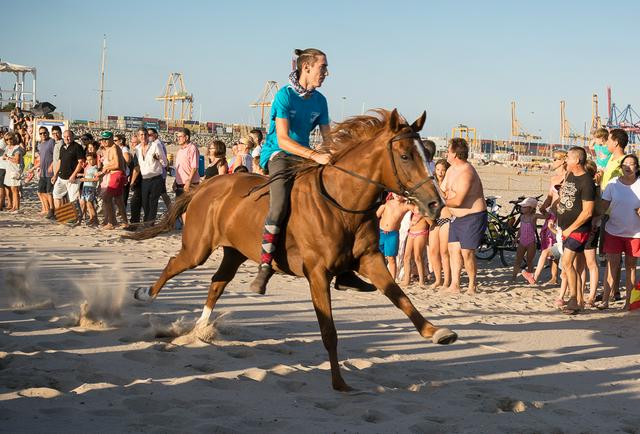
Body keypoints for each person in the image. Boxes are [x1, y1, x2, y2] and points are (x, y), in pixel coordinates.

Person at [250, 48, 332, 294]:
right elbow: (284, 140)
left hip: (305, 157)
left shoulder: (321, 100)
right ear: (306, 67)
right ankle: (265, 265)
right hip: (279, 154)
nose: (326, 73)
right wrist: (315, 155)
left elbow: (329, 138)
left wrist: (332, 152)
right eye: (323, 67)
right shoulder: (283, 96)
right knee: (280, 204)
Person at [441, 138, 487, 294]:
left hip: (472, 216)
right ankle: (455, 284)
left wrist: (444, 201)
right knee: (453, 250)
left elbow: (459, 200)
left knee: (467, 252)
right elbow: (444, 191)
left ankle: (472, 285)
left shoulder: (467, 172)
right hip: (456, 217)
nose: (446, 153)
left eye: (448, 150)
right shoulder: (451, 169)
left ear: (454, 154)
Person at [596, 154, 640, 310]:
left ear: (637, 167)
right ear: (621, 167)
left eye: (632, 164)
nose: (628, 167)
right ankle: (605, 299)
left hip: (635, 233)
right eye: (625, 164)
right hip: (613, 230)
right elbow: (603, 205)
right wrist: (595, 219)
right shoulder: (613, 184)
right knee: (611, 265)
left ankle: (629, 301)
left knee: (631, 267)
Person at [556, 146, 595, 314]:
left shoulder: (586, 181)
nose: (566, 161)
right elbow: (565, 195)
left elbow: (588, 212)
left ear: (577, 160)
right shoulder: (570, 175)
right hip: (565, 227)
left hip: (578, 230)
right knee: (576, 267)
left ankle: (572, 299)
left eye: (569, 158)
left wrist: (570, 229)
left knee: (566, 263)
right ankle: (578, 300)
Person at [531, 150, 567, 286]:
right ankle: (553, 277)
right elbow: (550, 196)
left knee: (556, 243)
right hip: (551, 213)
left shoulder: (568, 176)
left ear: (563, 161)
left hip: (561, 214)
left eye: (555, 159)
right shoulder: (553, 178)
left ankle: (556, 276)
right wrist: (543, 206)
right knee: (549, 242)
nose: (553, 161)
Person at [133, 128, 168, 224]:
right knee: (145, 204)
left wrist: (158, 159)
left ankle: (149, 225)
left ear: (148, 136)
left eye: (145, 134)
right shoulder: (137, 149)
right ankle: (147, 222)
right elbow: (139, 166)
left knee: (153, 203)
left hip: (156, 178)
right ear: (138, 136)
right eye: (141, 135)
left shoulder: (155, 145)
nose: (143, 136)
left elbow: (165, 163)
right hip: (145, 179)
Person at [377, 193, 414, 280]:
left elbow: (416, 209)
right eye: (395, 192)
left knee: (391, 258)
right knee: (378, 256)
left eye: (400, 194)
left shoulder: (405, 206)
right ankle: (380, 276)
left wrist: (408, 198)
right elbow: (376, 216)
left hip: (392, 234)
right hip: (381, 232)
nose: (397, 195)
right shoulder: (387, 203)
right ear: (391, 193)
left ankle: (392, 279)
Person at [427, 159, 451, 289]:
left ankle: (447, 280)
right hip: (434, 221)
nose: (440, 172)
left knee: (444, 252)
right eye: (438, 169)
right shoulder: (432, 183)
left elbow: (448, 199)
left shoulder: (448, 183)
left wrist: (437, 187)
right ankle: (438, 279)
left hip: (446, 219)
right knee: (433, 251)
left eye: (443, 170)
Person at [98, 131, 128, 229]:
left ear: (111, 139)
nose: (105, 141)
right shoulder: (110, 149)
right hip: (116, 174)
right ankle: (124, 221)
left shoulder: (114, 148)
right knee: (119, 200)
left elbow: (117, 165)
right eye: (103, 139)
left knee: (107, 198)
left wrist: (105, 168)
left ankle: (112, 222)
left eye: (107, 139)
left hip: (117, 175)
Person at [52, 130, 85, 209]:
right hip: (61, 177)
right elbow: (60, 162)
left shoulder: (77, 147)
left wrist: (73, 175)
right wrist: (55, 175)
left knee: (72, 199)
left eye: (68, 136)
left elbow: (81, 162)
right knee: (56, 196)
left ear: (73, 137)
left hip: (73, 179)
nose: (66, 138)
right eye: (65, 137)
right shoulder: (62, 147)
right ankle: (61, 215)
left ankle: (74, 218)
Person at [516, 197, 545, 283]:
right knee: (518, 259)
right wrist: (516, 238)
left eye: (524, 207)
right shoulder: (522, 217)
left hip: (531, 242)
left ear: (531, 208)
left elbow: (546, 217)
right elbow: (520, 229)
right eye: (522, 207)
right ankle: (513, 277)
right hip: (522, 241)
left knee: (529, 260)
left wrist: (542, 209)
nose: (522, 208)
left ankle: (532, 276)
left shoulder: (534, 216)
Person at [401, 205, 429, 287]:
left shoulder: (425, 208)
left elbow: (431, 221)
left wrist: (423, 215)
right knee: (406, 257)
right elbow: (406, 204)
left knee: (418, 257)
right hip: (411, 233)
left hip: (421, 233)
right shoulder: (413, 207)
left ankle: (421, 280)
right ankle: (407, 279)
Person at [147, 128, 171, 211]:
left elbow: (162, 158)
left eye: (150, 134)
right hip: (160, 172)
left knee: (161, 193)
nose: (148, 136)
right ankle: (170, 209)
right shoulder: (156, 143)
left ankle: (171, 209)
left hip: (159, 173)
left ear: (155, 135)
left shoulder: (157, 144)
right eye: (147, 134)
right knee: (162, 193)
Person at [1, 132, 24, 212]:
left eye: (10, 138)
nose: (9, 141)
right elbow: (5, 155)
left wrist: (7, 158)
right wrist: (5, 157)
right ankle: (13, 206)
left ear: (14, 138)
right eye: (6, 139)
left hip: (15, 170)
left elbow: (17, 160)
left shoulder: (17, 148)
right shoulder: (8, 147)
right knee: (12, 188)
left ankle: (16, 207)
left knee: (15, 189)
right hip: (9, 170)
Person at [173, 128, 200, 196]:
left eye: (180, 137)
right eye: (177, 137)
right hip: (179, 183)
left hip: (190, 184)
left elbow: (194, 167)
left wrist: (189, 181)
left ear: (187, 137)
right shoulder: (180, 150)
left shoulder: (192, 148)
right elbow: (179, 169)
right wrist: (175, 181)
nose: (178, 139)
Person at [79, 153, 99, 226]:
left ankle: (93, 219)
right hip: (85, 187)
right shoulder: (88, 167)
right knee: (87, 204)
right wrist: (81, 175)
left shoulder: (95, 168)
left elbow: (96, 178)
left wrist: (86, 179)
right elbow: (87, 175)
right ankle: (94, 219)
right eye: (88, 160)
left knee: (90, 204)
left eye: (91, 159)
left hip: (90, 187)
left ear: (95, 159)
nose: (89, 161)